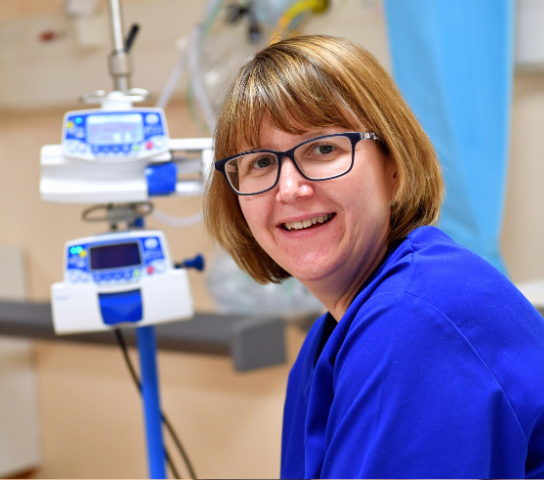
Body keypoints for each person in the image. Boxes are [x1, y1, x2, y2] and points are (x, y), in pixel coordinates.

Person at [203, 35, 544, 479]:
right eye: (261, 163)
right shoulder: (332, 337)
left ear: (393, 164)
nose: (289, 189)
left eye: (323, 149)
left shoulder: (416, 321)